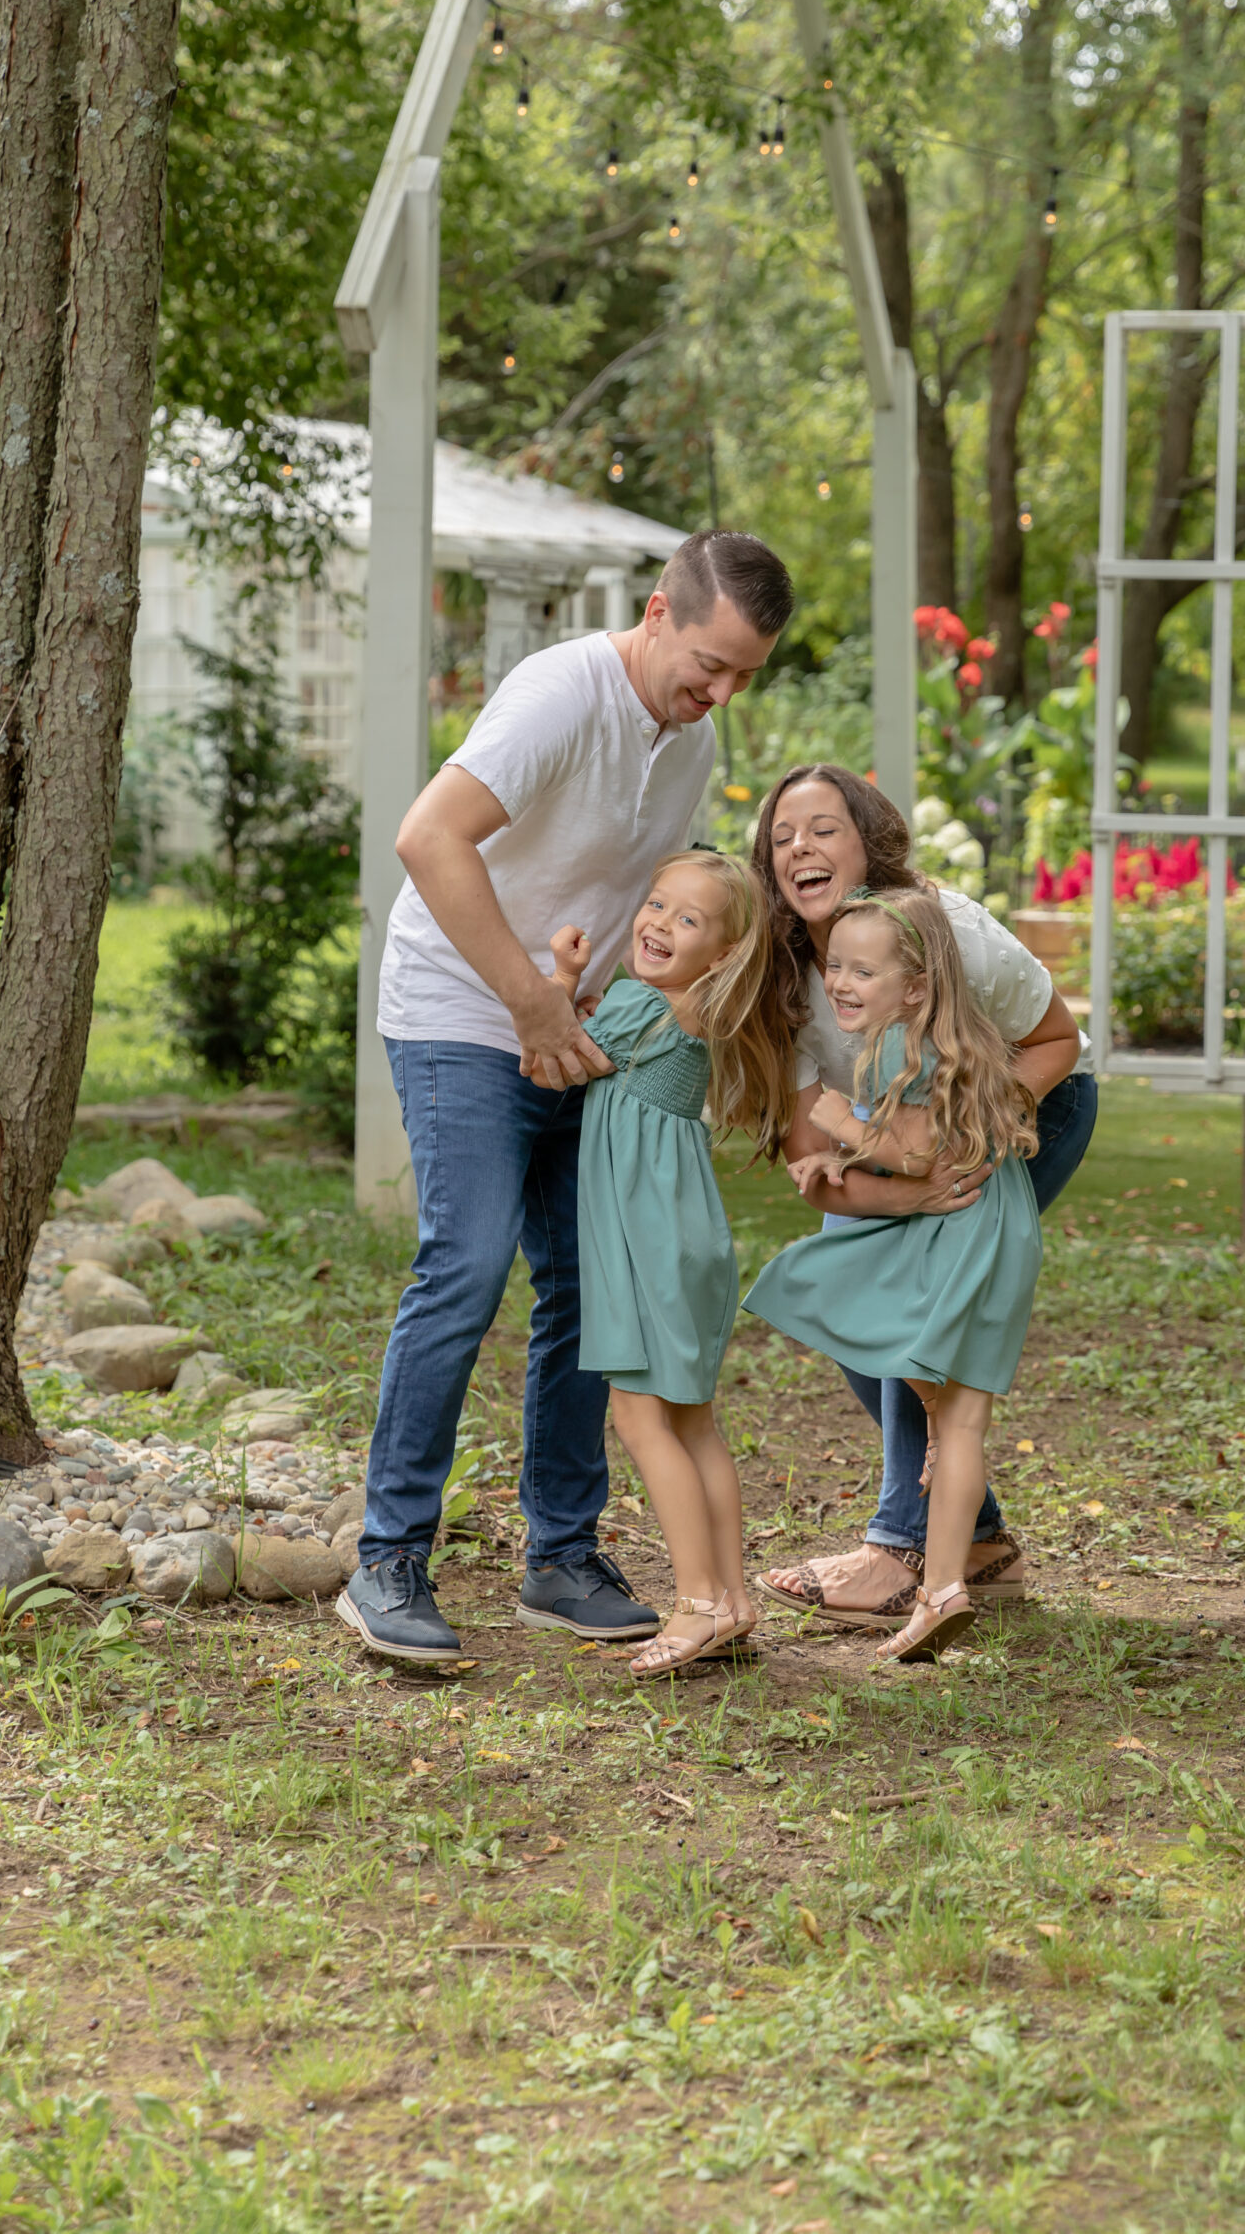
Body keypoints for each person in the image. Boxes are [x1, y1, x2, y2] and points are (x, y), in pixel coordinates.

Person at [337, 530, 794, 1667]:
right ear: (656, 612)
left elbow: (649, 901)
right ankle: (386, 1557)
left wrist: (596, 1009)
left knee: (589, 1279)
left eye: (745, 675)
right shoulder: (558, 693)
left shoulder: (686, 740)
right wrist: (529, 1006)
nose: (721, 693)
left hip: (579, 1029)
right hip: (461, 1006)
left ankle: (560, 1553)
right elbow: (427, 837)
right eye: (710, 664)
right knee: (470, 1258)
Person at [751, 764, 1096, 1630]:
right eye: (782, 835)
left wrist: (960, 1139)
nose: (801, 847)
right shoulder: (784, 974)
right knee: (862, 1314)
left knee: (918, 1330)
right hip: (884, 1131)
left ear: (869, 841)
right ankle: (974, 1544)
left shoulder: (948, 934)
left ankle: (898, 1554)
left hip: (1028, 1101)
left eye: (824, 827)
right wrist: (908, 1189)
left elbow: (1057, 1038)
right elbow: (809, 1145)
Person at [745, 890, 1042, 1662]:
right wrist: (840, 1156)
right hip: (994, 1229)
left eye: (862, 971)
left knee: (840, 1287)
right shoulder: (960, 1038)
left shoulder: (895, 1047)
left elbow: (911, 1156)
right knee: (959, 1423)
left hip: (955, 1235)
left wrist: (839, 1123)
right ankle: (942, 1589)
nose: (840, 982)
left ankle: (940, 1578)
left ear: (913, 986)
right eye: (835, 965)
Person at [547, 850, 784, 1676]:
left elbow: (550, 1055)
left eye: (688, 921)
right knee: (689, 1421)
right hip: (684, 1241)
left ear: (721, 955)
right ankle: (732, 1599)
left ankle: (696, 1604)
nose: (656, 924)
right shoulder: (688, 1009)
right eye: (654, 904)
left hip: (649, 1245)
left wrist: (562, 974)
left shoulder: (646, 1005)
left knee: (642, 1421)